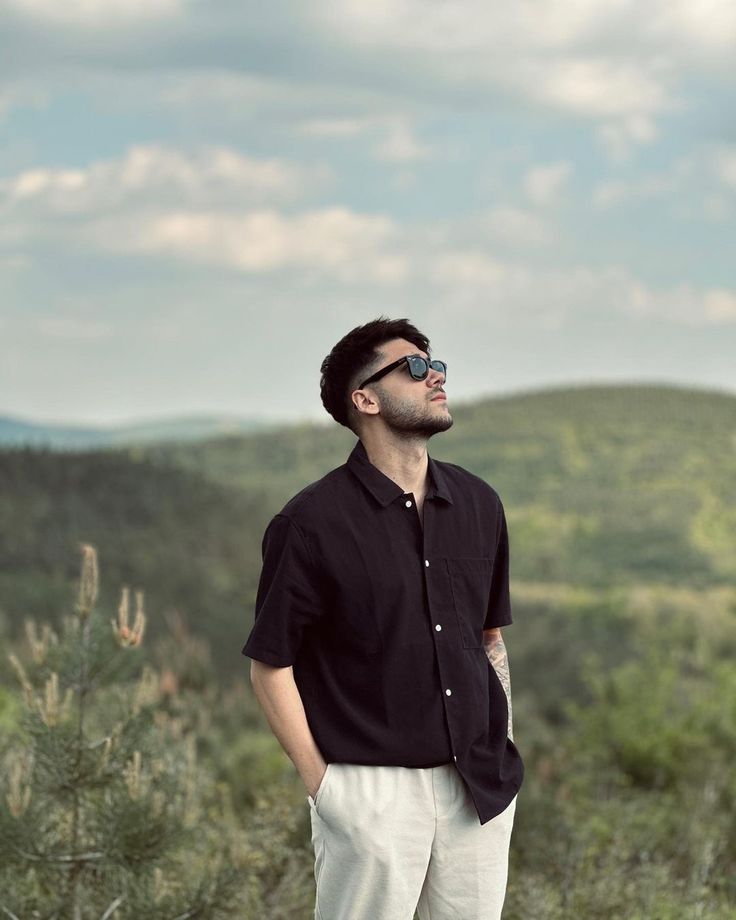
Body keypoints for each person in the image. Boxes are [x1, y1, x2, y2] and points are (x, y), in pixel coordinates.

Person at [242, 316, 524, 920]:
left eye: (436, 364)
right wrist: (326, 790)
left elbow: (488, 638)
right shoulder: (309, 523)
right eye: (414, 367)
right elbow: (270, 668)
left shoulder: (480, 503)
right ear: (364, 399)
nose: (435, 376)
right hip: (369, 793)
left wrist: (502, 738)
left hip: (477, 786)